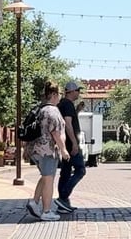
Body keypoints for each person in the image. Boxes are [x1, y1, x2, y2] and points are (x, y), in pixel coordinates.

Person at [25, 80, 70, 221]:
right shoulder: (53, 111)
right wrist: (64, 150)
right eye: (60, 94)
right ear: (54, 94)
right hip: (48, 151)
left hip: (36, 150)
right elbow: (56, 133)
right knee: (49, 180)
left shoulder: (41, 109)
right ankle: (46, 210)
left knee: (45, 177)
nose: (60, 97)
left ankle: (34, 201)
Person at [54, 80, 86, 213]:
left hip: (64, 144)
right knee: (80, 170)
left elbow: (68, 121)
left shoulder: (63, 104)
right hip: (69, 144)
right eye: (78, 90)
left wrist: (77, 111)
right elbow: (68, 124)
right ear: (71, 91)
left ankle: (63, 203)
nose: (79, 93)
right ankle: (63, 197)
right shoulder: (67, 105)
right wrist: (74, 143)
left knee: (66, 172)